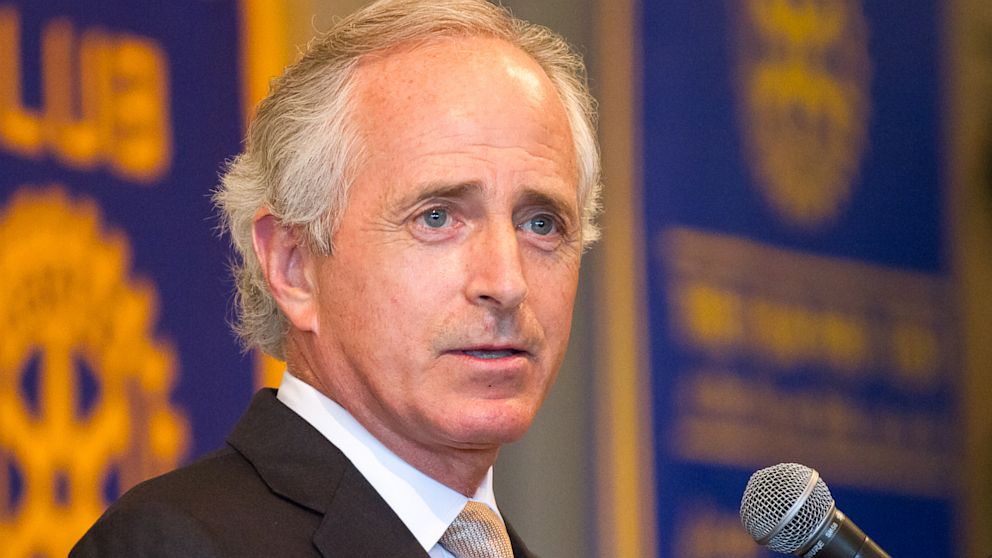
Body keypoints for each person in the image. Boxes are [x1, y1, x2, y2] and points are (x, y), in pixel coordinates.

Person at [71, 0, 600, 555]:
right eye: (436, 218)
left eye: (542, 224)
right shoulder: (172, 544)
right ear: (294, 266)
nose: (507, 282)